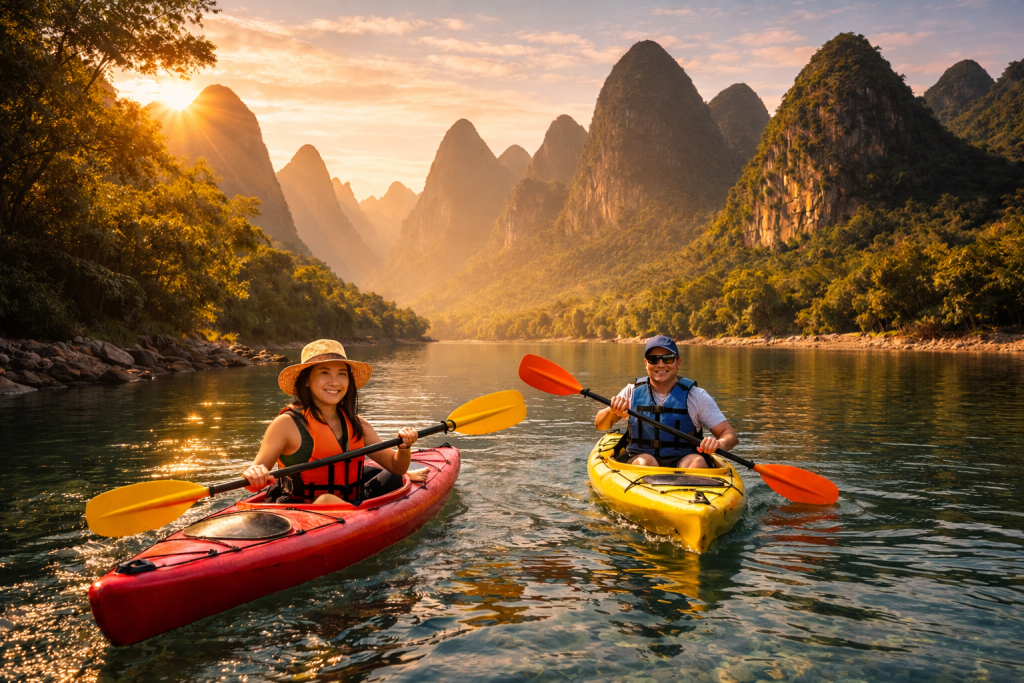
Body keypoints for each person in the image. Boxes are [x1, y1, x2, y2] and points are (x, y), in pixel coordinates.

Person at [242, 339, 427, 504]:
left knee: (396, 478)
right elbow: (256, 472)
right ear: (306, 379)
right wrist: (253, 473)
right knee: (325, 500)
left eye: (341, 374)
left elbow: (397, 467)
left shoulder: (358, 424)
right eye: (324, 372)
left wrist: (404, 448)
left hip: (353, 501)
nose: (334, 382)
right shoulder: (286, 424)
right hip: (303, 511)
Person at [594, 335, 739, 469]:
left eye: (668, 358)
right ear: (646, 363)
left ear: (678, 362)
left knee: (697, 463)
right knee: (644, 463)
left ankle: (693, 494)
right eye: (654, 359)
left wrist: (718, 443)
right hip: (641, 461)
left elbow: (729, 435)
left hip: (684, 460)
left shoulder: (697, 397)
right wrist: (612, 411)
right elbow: (600, 425)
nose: (661, 364)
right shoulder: (631, 392)